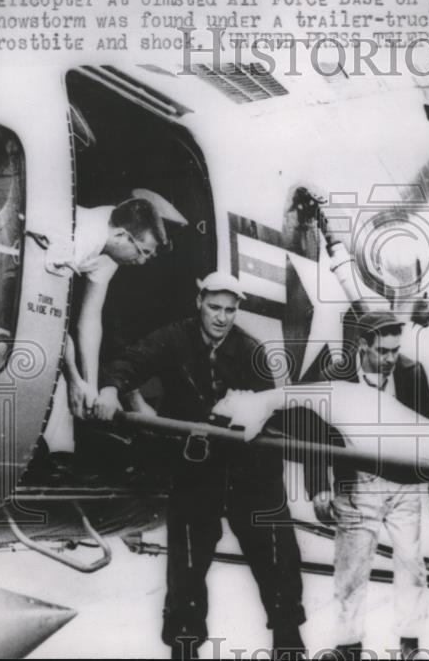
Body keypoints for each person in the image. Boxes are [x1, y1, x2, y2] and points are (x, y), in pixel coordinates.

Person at [93, 272, 308, 660]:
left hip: (252, 472)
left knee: (278, 571)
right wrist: (111, 389)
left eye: (230, 309)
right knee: (185, 577)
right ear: (199, 303)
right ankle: (184, 649)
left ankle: (289, 649)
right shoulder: (175, 337)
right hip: (199, 472)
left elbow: (269, 415)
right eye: (214, 307)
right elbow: (132, 360)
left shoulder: (252, 353)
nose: (222, 317)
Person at [311, 310, 429, 661]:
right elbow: (313, 431)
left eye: (395, 351)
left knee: (411, 563)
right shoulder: (334, 377)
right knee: (351, 568)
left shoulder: (412, 373)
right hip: (356, 482)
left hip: (403, 481)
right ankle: (349, 644)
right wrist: (319, 487)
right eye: (382, 351)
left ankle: (410, 644)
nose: (389, 359)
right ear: (362, 344)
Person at [42, 195, 178, 459]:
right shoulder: (77, 237)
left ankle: (60, 458)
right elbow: (49, 315)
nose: (141, 262)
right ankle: (54, 461)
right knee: (60, 384)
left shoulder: (109, 248)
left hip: (45, 309)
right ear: (120, 236)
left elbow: (90, 317)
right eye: (143, 252)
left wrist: (90, 386)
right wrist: (74, 380)